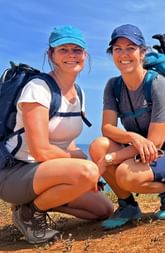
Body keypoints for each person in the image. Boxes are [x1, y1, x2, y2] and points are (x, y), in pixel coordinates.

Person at [0, 25, 114, 244]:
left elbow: (67, 142)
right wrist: (84, 166)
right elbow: (40, 150)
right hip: (15, 173)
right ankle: (29, 214)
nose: (71, 55)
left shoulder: (78, 93)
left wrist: (77, 165)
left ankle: (34, 204)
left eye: (76, 50)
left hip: (44, 174)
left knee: (103, 210)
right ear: (50, 54)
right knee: (86, 170)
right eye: (63, 49)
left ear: (85, 55)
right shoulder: (38, 88)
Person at [89, 24, 165, 230]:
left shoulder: (158, 84)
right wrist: (133, 137)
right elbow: (107, 129)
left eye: (131, 48)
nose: (124, 54)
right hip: (140, 150)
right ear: (112, 53)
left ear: (142, 52)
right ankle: (128, 207)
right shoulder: (113, 86)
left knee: (125, 175)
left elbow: (154, 143)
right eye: (118, 49)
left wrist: (110, 159)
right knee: (98, 145)